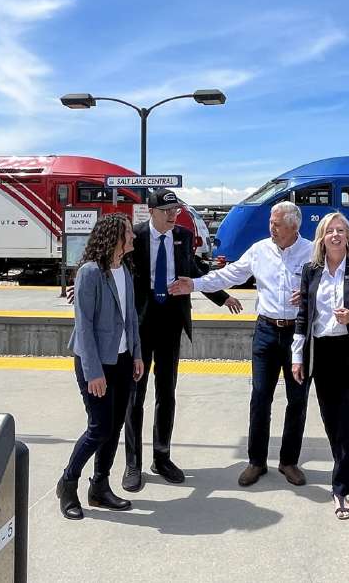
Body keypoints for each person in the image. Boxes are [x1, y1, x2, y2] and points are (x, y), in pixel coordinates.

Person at [169, 201, 313, 488]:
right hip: (266, 332)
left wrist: (309, 294)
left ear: (293, 226)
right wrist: (194, 285)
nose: (270, 228)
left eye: (276, 224)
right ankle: (256, 461)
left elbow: (329, 285)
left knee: (297, 400)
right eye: (270, 223)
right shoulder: (260, 250)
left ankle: (288, 461)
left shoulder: (311, 252)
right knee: (260, 397)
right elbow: (229, 275)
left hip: (299, 334)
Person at [122, 189, 242, 491]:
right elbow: (112, 267)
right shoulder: (134, 237)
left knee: (167, 392)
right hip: (140, 323)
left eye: (175, 210)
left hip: (171, 322)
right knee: (135, 395)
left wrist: (222, 296)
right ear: (152, 212)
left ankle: (161, 456)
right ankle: (132, 463)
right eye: (167, 211)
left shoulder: (183, 237)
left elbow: (196, 271)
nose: (173, 216)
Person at [289, 212, 349, 520]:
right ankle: (347, 466)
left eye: (341, 230)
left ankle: (340, 488)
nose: (336, 235)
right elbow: (303, 316)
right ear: (322, 237)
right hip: (322, 353)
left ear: (348, 236)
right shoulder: (311, 270)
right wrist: (297, 356)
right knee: (331, 421)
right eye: (330, 231)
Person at [57, 213, 145, 520]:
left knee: (114, 427)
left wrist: (136, 354)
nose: (133, 237)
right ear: (115, 238)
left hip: (122, 361)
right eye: (129, 234)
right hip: (95, 363)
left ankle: (100, 487)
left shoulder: (126, 271)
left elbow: (131, 317)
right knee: (98, 428)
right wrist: (94, 372)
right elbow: (84, 326)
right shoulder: (90, 273)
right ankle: (68, 484)